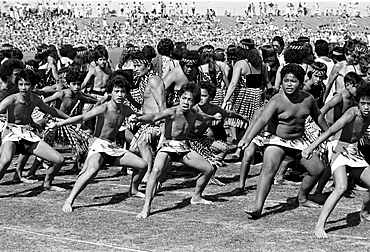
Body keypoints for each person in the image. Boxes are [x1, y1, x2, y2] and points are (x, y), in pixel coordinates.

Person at [239, 64, 328, 219]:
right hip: (277, 140)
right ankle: (257, 207)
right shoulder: (276, 100)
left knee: (317, 169)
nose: (288, 84)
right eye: (285, 80)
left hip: (299, 140)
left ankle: (302, 198)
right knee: (268, 169)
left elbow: (318, 116)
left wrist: (328, 133)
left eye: (293, 81)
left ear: (301, 83)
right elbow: (262, 119)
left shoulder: (308, 99)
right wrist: (248, 138)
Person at [51, 75, 148, 213]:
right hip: (99, 145)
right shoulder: (104, 107)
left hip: (113, 147)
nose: (120, 94)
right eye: (117, 91)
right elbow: (83, 117)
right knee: (92, 171)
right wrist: (60, 122)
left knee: (143, 165)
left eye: (123, 91)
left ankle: (132, 190)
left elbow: (138, 116)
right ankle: (69, 200)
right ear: (110, 92)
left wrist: (137, 117)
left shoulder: (125, 109)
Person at [136, 83, 216, 219]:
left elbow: (203, 116)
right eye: (184, 98)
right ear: (180, 98)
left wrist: (214, 117)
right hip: (168, 146)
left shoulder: (194, 113)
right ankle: (146, 207)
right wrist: (138, 118)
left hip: (183, 147)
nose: (186, 102)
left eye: (190, 100)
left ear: (194, 102)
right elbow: (154, 117)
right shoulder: (171, 111)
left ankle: (196, 197)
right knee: (155, 172)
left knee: (209, 169)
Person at [302, 81, 370, 238]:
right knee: (341, 187)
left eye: (369, 104)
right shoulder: (351, 113)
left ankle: (365, 212)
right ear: (358, 102)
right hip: (338, 147)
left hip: (353, 150)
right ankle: (319, 226)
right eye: (363, 103)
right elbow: (331, 130)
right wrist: (310, 147)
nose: (366, 107)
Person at [0, 68, 69, 191]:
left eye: (27, 84)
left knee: (59, 160)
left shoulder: (35, 99)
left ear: (33, 85)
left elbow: (51, 111)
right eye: (20, 84)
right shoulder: (11, 99)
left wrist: (71, 119)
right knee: (5, 161)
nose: (23, 88)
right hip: (11, 133)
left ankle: (47, 184)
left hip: (27, 134)